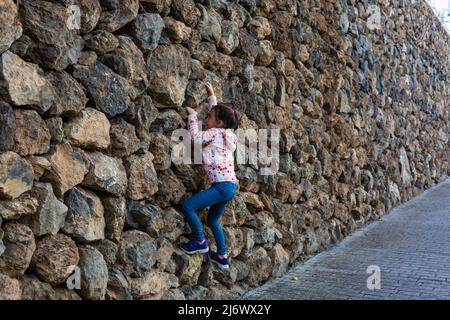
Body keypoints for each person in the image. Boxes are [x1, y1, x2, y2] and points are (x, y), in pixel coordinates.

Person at [180, 82, 239, 269]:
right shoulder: (228, 133)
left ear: (218, 123)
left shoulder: (213, 133)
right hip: (230, 186)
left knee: (188, 206)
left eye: (209, 117)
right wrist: (211, 96)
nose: (207, 118)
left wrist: (192, 116)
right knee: (213, 220)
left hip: (221, 187)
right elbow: (220, 114)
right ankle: (222, 255)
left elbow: (196, 138)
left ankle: (199, 242)